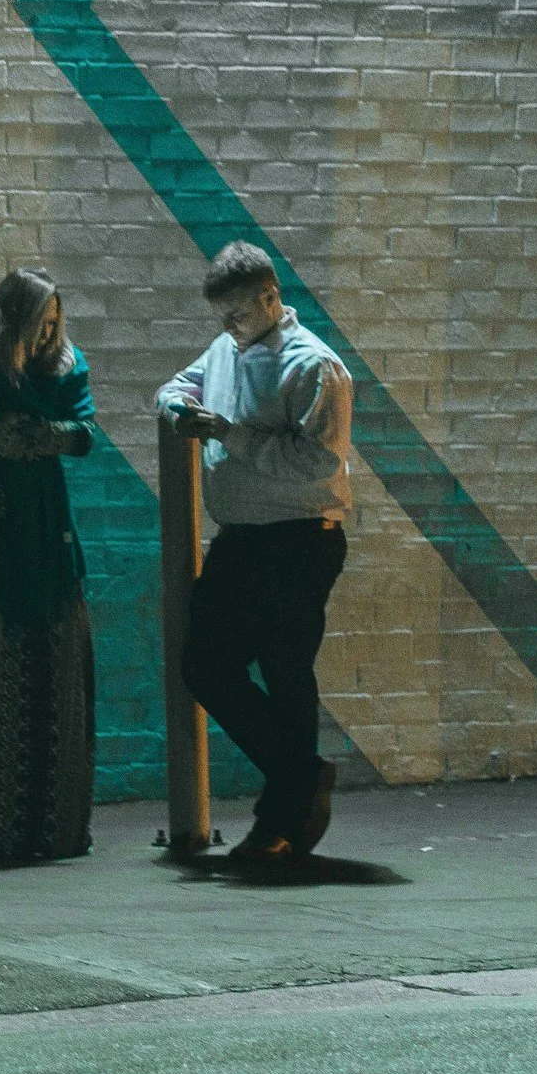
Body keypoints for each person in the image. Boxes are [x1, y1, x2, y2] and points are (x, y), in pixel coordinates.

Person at [155, 241, 353, 863]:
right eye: (222, 317)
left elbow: (316, 462)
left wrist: (228, 435)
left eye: (239, 314)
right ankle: (300, 778)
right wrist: (176, 405)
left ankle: (284, 822)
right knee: (206, 665)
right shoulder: (226, 349)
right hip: (242, 538)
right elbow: (179, 384)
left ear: (271, 299)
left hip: (299, 539)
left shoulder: (315, 366)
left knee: (286, 670)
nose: (229, 328)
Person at [0, 266, 98, 863]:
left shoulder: (66, 361)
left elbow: (83, 433)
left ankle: (54, 826)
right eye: (39, 322)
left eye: (56, 322)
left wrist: (33, 433)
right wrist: (43, 434)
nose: (49, 334)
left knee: (58, 658)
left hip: (46, 523)